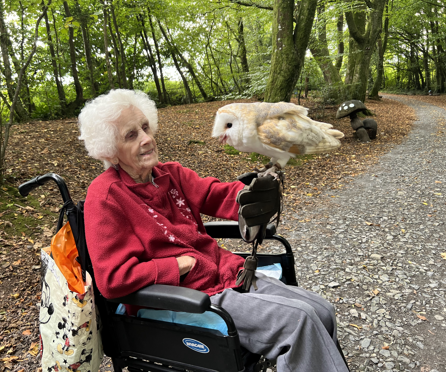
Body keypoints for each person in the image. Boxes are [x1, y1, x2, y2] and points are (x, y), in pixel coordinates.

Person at [78, 89, 349, 372]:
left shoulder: (170, 173)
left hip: (227, 274)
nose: (146, 138)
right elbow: (112, 280)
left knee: (322, 310)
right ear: (110, 149)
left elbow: (216, 194)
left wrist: (252, 195)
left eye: (145, 127)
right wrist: (175, 266)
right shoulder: (106, 196)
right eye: (131, 135)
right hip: (187, 296)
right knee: (299, 321)